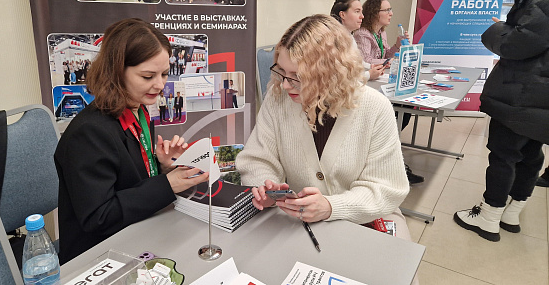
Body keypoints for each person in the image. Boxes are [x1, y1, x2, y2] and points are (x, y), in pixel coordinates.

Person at [236, 16, 416, 285]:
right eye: (281, 72)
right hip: (297, 217)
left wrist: (332, 207)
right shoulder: (279, 99)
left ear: (332, 73)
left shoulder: (374, 107)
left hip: (366, 215)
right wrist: (267, 188)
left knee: (396, 275)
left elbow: (386, 190)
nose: (285, 85)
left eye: (298, 77)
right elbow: (257, 159)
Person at [54, 18, 209, 264]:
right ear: (116, 72)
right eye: (148, 76)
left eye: (164, 74)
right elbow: (99, 217)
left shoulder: (138, 109)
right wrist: (166, 185)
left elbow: (130, 182)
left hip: (140, 232)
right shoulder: (89, 134)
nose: (159, 85)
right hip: (98, 254)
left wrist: (162, 166)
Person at [454, 0, 549, 242]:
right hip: (540, 92)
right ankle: (511, 212)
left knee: (504, 154)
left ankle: (488, 217)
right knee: (531, 155)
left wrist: (498, 29)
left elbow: (519, 42)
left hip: (521, 92)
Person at [353, 0, 423, 185]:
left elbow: (384, 55)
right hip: (368, 83)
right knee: (398, 110)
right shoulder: (362, 34)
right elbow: (364, 61)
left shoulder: (381, 32)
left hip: (380, 80)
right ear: (376, 13)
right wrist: (388, 61)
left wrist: (397, 46)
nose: (391, 13)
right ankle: (385, 148)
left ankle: (387, 143)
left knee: (406, 108)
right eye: (387, 10)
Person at [330, 0, 385, 82]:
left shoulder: (349, 36)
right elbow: (340, 76)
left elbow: (356, 61)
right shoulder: (333, 40)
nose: (362, 16)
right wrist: (368, 75)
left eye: (361, 12)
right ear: (342, 15)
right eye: (357, 11)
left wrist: (370, 67)